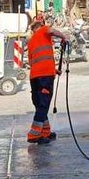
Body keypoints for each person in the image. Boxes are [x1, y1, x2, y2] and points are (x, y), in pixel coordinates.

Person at [27, 16, 69, 144]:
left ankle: (45, 132)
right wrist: (64, 37)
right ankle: (33, 135)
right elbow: (52, 31)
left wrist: (54, 70)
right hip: (45, 78)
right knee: (43, 105)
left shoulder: (32, 42)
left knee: (40, 105)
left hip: (35, 77)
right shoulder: (44, 30)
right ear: (40, 26)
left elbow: (36, 62)